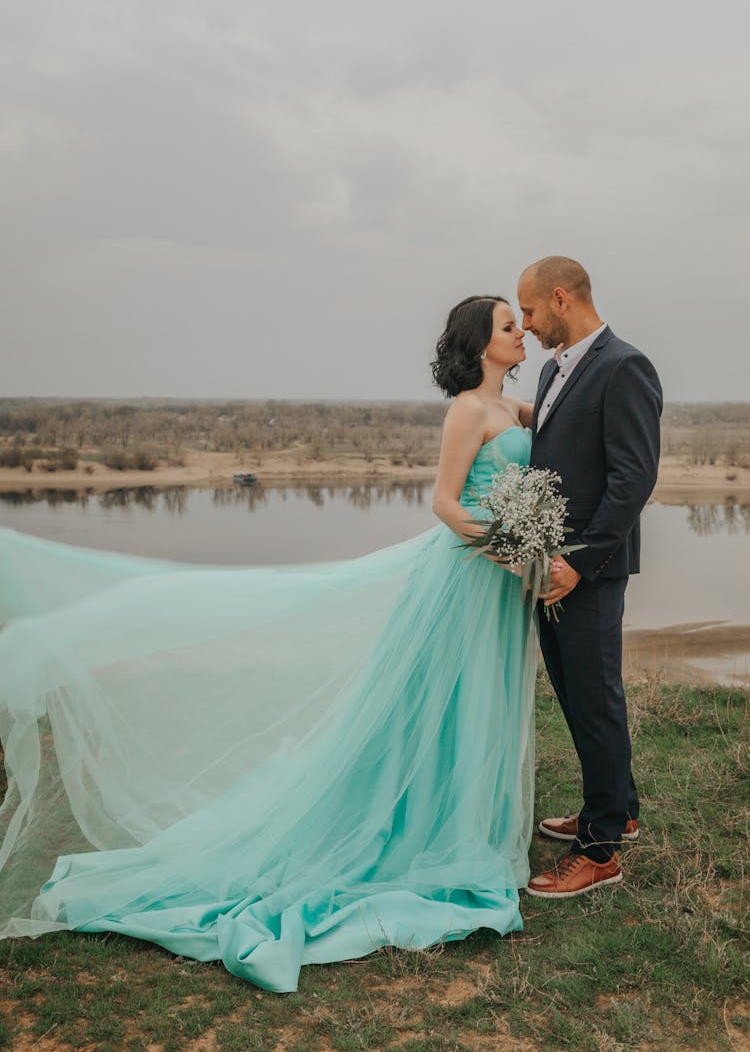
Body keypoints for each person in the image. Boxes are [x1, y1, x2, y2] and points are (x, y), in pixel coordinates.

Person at [0, 296, 539, 992]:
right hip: (468, 574)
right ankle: (434, 834)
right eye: (506, 325)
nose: (518, 332)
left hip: (500, 581)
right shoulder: (467, 409)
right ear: (480, 344)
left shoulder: (515, 410)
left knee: (485, 700)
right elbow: (443, 501)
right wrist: (505, 541)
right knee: (440, 703)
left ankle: (472, 826)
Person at [517, 256, 663, 898]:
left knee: (596, 696)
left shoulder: (624, 366)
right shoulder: (553, 370)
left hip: (590, 571)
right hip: (552, 568)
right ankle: (618, 806)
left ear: (560, 299)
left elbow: (634, 478)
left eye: (528, 311)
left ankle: (600, 849)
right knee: (579, 693)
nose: (524, 325)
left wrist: (579, 563)